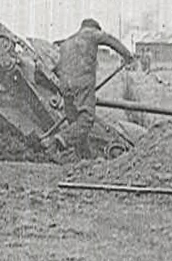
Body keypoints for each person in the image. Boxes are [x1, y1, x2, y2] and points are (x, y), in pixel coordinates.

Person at [55, 18, 134, 157]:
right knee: (86, 120)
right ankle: (63, 138)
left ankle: (85, 157)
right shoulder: (92, 33)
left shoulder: (67, 42)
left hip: (65, 84)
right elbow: (110, 40)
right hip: (82, 82)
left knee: (75, 122)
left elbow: (57, 67)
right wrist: (127, 55)